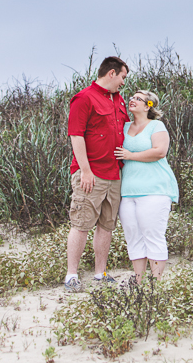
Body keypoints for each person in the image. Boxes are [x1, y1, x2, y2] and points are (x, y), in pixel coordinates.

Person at [65, 56, 130, 292]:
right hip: (91, 174)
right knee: (81, 223)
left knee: (107, 225)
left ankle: (100, 274)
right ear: (111, 73)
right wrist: (85, 170)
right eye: (122, 76)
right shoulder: (84, 98)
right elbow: (76, 135)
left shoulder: (118, 100)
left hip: (114, 174)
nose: (123, 82)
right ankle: (71, 275)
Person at [114, 90, 179, 281]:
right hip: (127, 191)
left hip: (154, 190)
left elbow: (160, 152)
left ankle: (156, 283)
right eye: (132, 97)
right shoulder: (124, 126)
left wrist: (130, 155)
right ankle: (139, 281)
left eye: (138, 98)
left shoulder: (156, 126)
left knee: (153, 235)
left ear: (148, 106)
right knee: (133, 237)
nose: (132, 100)